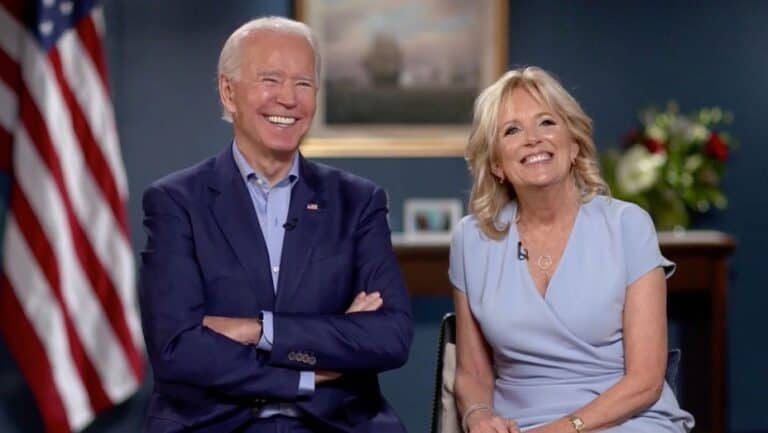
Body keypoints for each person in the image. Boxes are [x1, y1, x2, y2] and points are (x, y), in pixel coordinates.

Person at [138, 17, 413, 433]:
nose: (289, 99)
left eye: (303, 84)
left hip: (335, 424)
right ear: (228, 92)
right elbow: (178, 348)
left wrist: (258, 330)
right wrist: (308, 371)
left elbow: (389, 336)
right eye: (271, 79)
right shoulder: (176, 202)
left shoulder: (358, 202)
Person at [449, 66, 695, 433]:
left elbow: (645, 380)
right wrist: (479, 417)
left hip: (628, 418)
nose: (533, 139)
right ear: (497, 163)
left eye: (546, 122)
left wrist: (563, 428)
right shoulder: (472, 240)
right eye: (512, 130)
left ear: (574, 143)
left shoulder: (628, 225)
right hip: (521, 424)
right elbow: (472, 373)